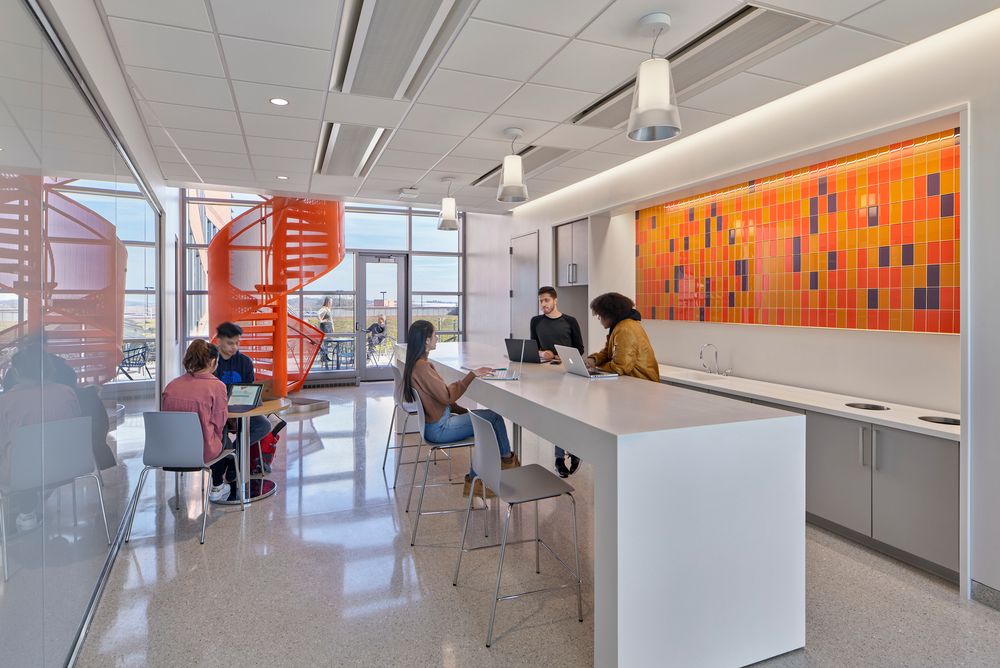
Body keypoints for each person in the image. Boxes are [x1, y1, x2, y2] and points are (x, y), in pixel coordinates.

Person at [402, 320, 515, 495]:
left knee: (483, 422)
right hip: (440, 428)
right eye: (434, 335)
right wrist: (472, 375)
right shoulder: (422, 367)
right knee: (493, 418)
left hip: (437, 424)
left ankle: (480, 478)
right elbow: (448, 396)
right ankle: (506, 466)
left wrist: (468, 413)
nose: (437, 338)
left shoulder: (418, 365)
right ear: (426, 341)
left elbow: (444, 400)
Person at [0, 344, 82, 531]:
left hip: (22, 473)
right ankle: (28, 509)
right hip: (67, 466)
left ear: (17, 371)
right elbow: (75, 431)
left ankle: (24, 511)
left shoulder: (6, 402)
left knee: (13, 454)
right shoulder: (67, 393)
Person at [162, 340, 234, 501]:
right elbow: (219, 422)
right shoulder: (217, 386)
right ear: (213, 362)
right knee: (225, 439)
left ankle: (218, 483)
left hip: (170, 451)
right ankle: (218, 485)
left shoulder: (171, 386)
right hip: (203, 452)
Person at [530, 286, 585, 477]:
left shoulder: (570, 321)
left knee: (571, 416)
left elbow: (580, 349)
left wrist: (562, 356)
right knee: (557, 417)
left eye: (546, 300)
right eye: (541, 301)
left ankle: (576, 452)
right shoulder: (536, 321)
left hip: (569, 374)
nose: (543, 304)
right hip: (546, 376)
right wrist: (541, 353)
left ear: (555, 301)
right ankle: (559, 458)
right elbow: (533, 347)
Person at [213, 322, 272, 470]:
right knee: (219, 439)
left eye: (237, 343)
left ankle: (232, 456)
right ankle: (227, 461)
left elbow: (249, 390)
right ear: (219, 341)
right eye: (230, 343)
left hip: (241, 408)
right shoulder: (211, 362)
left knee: (264, 425)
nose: (234, 347)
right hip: (217, 411)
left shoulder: (245, 362)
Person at [586, 292, 660, 382]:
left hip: (642, 384)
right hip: (633, 383)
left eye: (599, 315)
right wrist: (594, 360)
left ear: (609, 314)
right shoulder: (620, 326)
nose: (599, 318)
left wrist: (597, 366)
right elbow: (607, 352)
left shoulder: (625, 329)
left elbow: (619, 368)